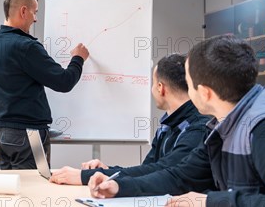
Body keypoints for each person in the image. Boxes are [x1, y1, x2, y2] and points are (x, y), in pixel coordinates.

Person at [89, 35, 265, 207]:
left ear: (204, 93)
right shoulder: (222, 125)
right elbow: (181, 177)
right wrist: (120, 186)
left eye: (187, 80)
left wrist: (212, 203)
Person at [49, 54, 211, 185]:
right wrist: (106, 170)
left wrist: (87, 176)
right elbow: (148, 169)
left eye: (153, 84)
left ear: (160, 88)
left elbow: (165, 170)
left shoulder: (197, 127)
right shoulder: (168, 125)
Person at [0, 0, 89, 169]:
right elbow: (64, 81)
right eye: (35, 12)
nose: (35, 18)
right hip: (28, 136)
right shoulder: (26, 46)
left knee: (14, 191)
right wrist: (78, 58)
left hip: (2, 134)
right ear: (24, 11)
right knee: (33, 190)